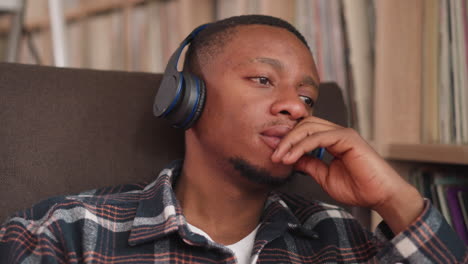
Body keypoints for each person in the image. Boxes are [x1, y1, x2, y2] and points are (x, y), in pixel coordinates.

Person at [0, 14, 466, 264]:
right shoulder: (64, 233)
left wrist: (392, 196)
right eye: (264, 80)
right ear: (187, 98)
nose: (296, 106)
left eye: (308, 96)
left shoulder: (339, 237)